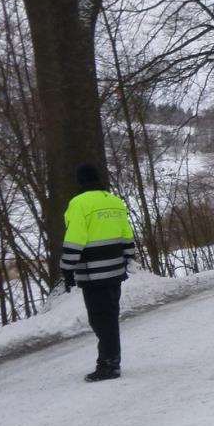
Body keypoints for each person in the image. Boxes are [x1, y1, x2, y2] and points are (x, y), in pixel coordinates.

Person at [61, 163, 136, 382]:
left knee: (101, 320)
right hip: (115, 270)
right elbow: (126, 235)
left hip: (93, 273)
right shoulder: (115, 201)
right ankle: (111, 360)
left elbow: (74, 239)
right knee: (110, 316)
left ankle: (109, 365)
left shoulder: (78, 204)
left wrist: (67, 269)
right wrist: (128, 257)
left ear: (81, 181)